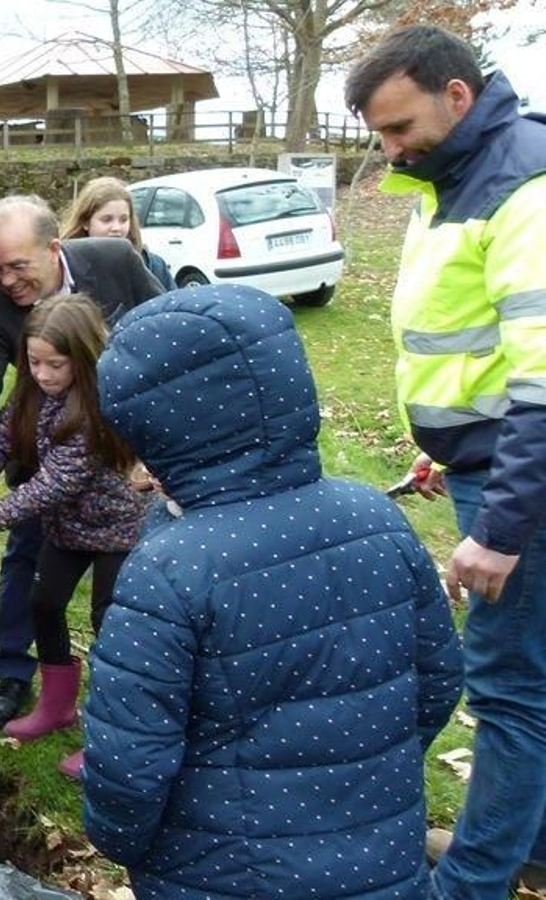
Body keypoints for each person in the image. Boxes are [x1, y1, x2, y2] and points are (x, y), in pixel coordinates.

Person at [83, 284, 464, 898]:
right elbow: (440, 677)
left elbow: (129, 766)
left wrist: (123, 841)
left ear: (152, 426)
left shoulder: (168, 571)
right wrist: (360, 784)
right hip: (382, 864)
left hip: (220, 873)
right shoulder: (378, 519)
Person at [346, 24, 546, 898]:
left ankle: (473, 881)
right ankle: (530, 845)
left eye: (399, 126)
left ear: (456, 95)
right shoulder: (458, 170)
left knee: (509, 691)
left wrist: (502, 529)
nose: (391, 149)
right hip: (484, 462)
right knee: (529, 676)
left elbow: (544, 384)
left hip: (519, 483)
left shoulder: (522, 189)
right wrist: (443, 447)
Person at [0, 194, 161, 732]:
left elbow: (173, 330)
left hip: (115, 519)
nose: (6, 281)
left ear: (53, 248)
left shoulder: (114, 261)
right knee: (38, 592)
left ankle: (117, 716)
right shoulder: (19, 353)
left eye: (18, 266)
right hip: (62, 518)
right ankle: (33, 689)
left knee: (112, 617)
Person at [0, 294, 148, 780]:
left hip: (119, 529)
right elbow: (1, 441)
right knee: (44, 604)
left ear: (83, 358)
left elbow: (54, 483)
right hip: (67, 528)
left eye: (55, 364)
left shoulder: (95, 406)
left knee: (110, 623)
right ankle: (57, 705)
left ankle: (112, 731)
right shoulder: (32, 393)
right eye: (34, 362)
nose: (43, 374)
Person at [60, 176, 172, 290]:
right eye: (106, 220)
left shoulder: (153, 265)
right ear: (85, 222)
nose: (116, 228)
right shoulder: (66, 269)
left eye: (123, 220)